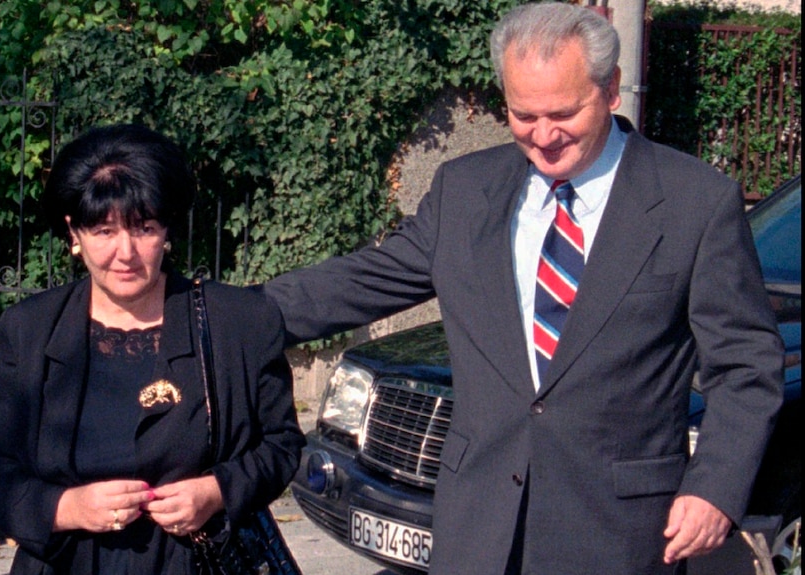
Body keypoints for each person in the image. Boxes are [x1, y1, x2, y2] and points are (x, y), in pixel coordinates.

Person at [262, 3, 784, 574]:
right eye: (522, 115)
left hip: (620, 536)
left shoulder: (694, 203)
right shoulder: (465, 191)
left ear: (610, 89)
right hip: (478, 532)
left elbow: (746, 366)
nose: (543, 136)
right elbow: (361, 282)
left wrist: (714, 488)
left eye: (562, 113)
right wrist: (209, 313)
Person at [0, 124, 305, 574]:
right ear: (74, 233)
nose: (125, 252)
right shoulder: (30, 330)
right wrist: (66, 507)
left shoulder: (239, 321)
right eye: (104, 230)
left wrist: (216, 491)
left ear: (166, 229)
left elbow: (281, 444)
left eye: (143, 228)